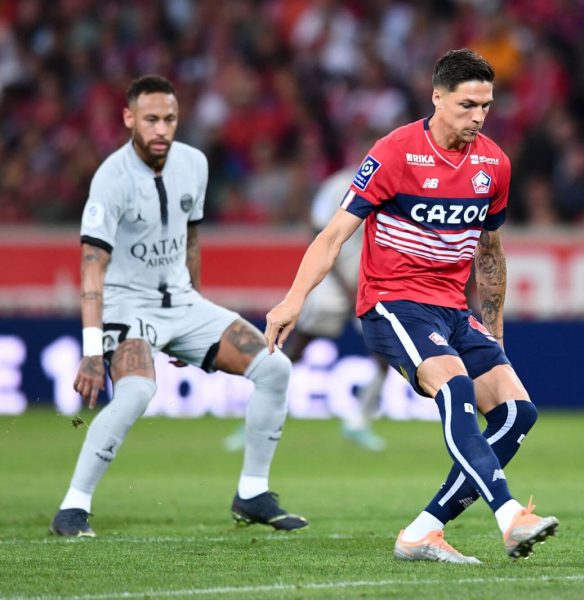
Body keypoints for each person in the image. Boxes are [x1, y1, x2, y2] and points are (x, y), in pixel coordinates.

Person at [264, 49, 558, 562]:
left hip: (452, 309)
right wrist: (292, 300)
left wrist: (496, 334)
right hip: (392, 303)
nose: (479, 117)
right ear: (437, 97)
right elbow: (333, 235)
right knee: (456, 386)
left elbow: (489, 252)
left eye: (487, 105)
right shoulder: (395, 153)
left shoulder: (494, 163)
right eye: (468, 105)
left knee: (518, 414)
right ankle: (510, 514)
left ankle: (422, 531)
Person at [50, 75, 306, 537]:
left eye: (169, 119)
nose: (161, 129)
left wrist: (197, 316)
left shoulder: (194, 163)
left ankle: (252, 493)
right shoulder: (111, 177)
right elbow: (92, 268)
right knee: (136, 393)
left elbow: (190, 237)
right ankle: (73, 506)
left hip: (184, 303)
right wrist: (92, 351)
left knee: (275, 368)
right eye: (150, 119)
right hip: (128, 309)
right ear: (129, 119)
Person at [223, 165, 388, 453]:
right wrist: (345, 286)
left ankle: (358, 422)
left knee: (386, 353)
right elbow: (319, 231)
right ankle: (255, 417)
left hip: (371, 281)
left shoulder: (393, 185)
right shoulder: (339, 184)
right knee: (295, 349)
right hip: (333, 280)